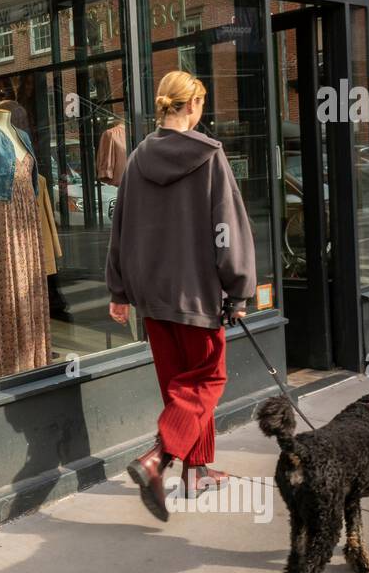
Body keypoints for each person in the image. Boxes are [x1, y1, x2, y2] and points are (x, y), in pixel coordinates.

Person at [105, 70, 257, 522]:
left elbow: (120, 230)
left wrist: (119, 290)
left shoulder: (136, 159)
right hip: (196, 296)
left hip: (153, 298)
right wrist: (239, 286)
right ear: (191, 106)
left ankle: (197, 472)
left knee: (182, 389)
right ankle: (159, 458)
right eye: (202, 104)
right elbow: (228, 227)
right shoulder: (210, 157)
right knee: (206, 381)